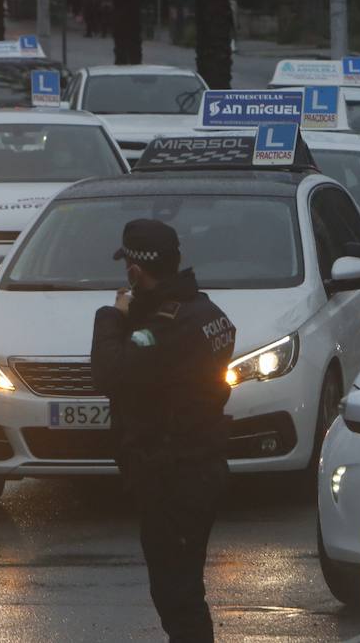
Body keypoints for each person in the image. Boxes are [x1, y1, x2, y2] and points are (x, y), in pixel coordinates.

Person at [90, 219, 236, 643]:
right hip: (198, 466)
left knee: (177, 593)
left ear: (135, 271)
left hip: (173, 476)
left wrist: (111, 316)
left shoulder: (165, 327)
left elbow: (108, 373)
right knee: (183, 587)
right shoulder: (205, 311)